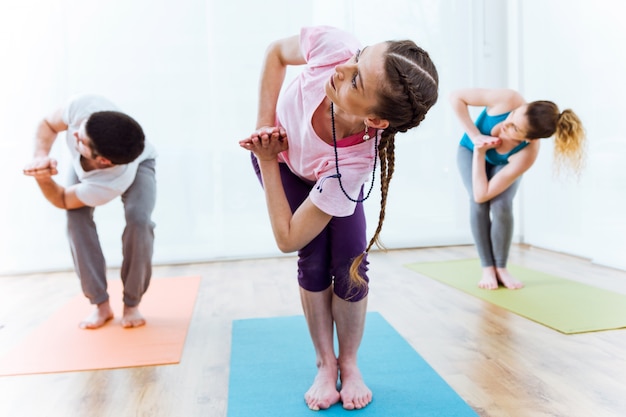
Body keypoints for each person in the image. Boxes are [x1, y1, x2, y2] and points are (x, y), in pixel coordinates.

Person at [239, 26, 438, 410]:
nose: (343, 68)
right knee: (312, 259)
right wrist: (265, 137)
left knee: (350, 265)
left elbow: (285, 237)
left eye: (357, 79)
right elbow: (275, 53)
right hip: (279, 164)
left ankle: (349, 362)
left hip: (328, 176)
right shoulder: (335, 47)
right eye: (359, 56)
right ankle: (324, 363)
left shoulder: (354, 163)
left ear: (376, 120)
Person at [23, 94, 157, 329]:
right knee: (76, 219)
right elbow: (48, 123)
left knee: (139, 221)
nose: (73, 133)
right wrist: (40, 157)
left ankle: (132, 303)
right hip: (88, 166)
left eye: (80, 140)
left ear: (103, 161)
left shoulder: (111, 181)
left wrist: (43, 180)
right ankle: (100, 304)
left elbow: (63, 198)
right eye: (79, 130)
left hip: (140, 164)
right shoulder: (85, 107)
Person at [450, 88, 586, 290]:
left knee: (502, 205)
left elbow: (485, 192)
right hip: (470, 150)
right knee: (477, 204)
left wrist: (483, 153)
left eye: (514, 129)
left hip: (501, 162)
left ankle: (501, 268)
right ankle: (488, 267)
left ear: (529, 139)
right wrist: (476, 139)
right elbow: (456, 97)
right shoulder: (507, 99)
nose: (506, 124)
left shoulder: (526, 153)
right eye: (513, 116)